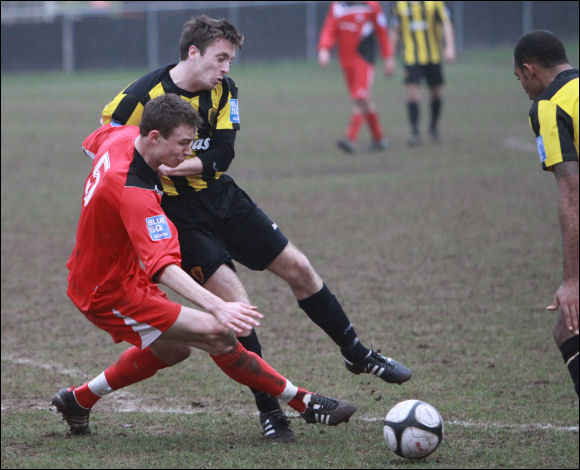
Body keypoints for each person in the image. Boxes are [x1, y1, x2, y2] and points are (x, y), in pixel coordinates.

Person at [100, 15, 411, 443]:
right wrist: (142, 188)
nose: (226, 68)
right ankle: (270, 411)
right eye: (220, 58)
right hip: (177, 216)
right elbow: (106, 144)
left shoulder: (224, 91)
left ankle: (356, 353)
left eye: (230, 59)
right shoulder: (140, 95)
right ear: (193, 52)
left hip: (223, 198)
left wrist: (179, 164)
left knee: (299, 267)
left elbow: (224, 153)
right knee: (236, 303)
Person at [51, 94, 357, 436]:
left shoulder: (123, 136)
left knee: (174, 349)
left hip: (121, 274)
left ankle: (79, 400)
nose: (188, 152)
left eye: (191, 143)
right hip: (107, 292)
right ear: (154, 137)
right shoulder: (135, 192)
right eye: (182, 144)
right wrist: (218, 306)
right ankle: (303, 401)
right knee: (218, 333)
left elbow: (93, 144)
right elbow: (164, 268)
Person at [513, 30, 579, 396]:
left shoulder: (550, 106)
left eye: (519, 78)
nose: (522, 86)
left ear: (529, 69)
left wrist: (572, 281)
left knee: (570, 328)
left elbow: (572, 190)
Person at [318, 1, 395, 154]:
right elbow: (329, 28)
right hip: (346, 61)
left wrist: (388, 58)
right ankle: (379, 138)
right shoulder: (337, 6)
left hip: (364, 59)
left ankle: (350, 138)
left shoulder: (371, 5)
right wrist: (324, 49)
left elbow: (382, 32)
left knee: (360, 97)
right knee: (363, 99)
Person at [390, 1, 455, 146]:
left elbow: (446, 23)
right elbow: (395, 31)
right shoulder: (400, 5)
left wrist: (449, 47)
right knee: (413, 92)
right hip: (411, 57)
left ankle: (433, 127)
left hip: (433, 56)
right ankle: (415, 133)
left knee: (436, 93)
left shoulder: (435, 4)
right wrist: (390, 58)